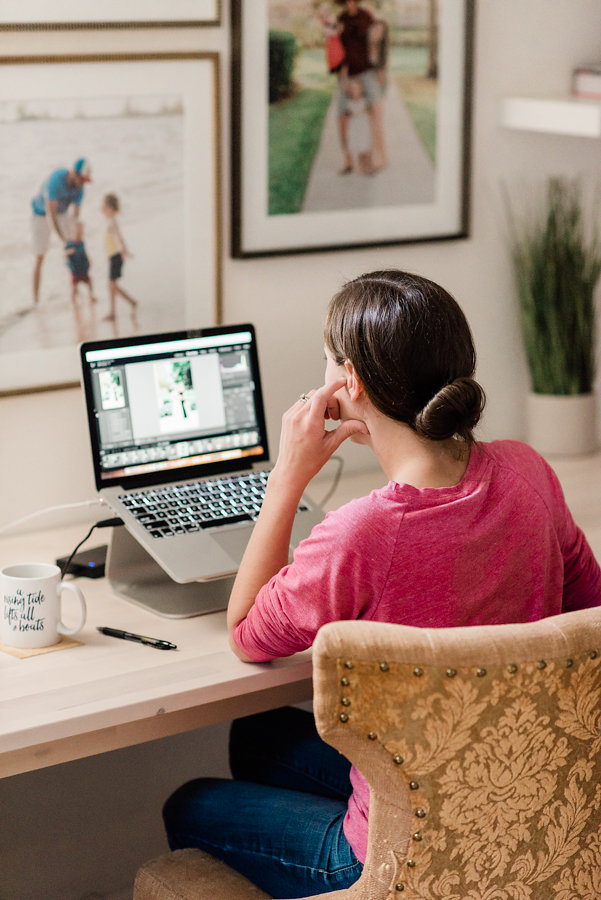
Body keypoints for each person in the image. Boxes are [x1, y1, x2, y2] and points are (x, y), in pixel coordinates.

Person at [163, 270, 601, 898]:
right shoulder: (528, 471)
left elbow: (245, 635)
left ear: (351, 385)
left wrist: (288, 477)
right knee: (256, 738)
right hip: (521, 806)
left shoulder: (359, 536)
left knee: (190, 803)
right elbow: (590, 605)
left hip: (398, 862)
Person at [335, 0, 387, 174]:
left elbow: (379, 41)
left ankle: (378, 156)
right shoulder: (341, 18)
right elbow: (335, 45)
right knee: (343, 115)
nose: (350, 2)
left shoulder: (367, 15)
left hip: (367, 72)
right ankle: (348, 161)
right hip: (346, 72)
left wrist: (381, 68)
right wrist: (342, 72)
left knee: (375, 113)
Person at [30, 157, 92, 304]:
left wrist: (73, 237)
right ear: (73, 173)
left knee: (75, 248)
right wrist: (63, 240)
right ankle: (36, 301)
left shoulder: (80, 189)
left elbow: (76, 215)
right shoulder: (55, 180)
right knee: (40, 257)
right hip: (41, 214)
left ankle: (76, 291)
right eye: (81, 179)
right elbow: (50, 215)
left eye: (85, 181)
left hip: (62, 213)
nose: (82, 183)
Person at [101, 192, 138, 320]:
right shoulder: (111, 221)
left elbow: (118, 237)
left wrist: (124, 250)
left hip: (116, 257)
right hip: (113, 256)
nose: (102, 211)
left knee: (112, 286)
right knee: (111, 286)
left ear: (109, 209)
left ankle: (132, 302)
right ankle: (113, 312)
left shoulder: (112, 222)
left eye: (103, 208)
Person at [64, 219, 97, 306]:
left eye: (81, 233)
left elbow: (84, 252)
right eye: (77, 234)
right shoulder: (69, 244)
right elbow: (64, 255)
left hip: (83, 268)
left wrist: (89, 259)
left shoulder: (81, 243)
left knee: (89, 282)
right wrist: (69, 252)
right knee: (74, 286)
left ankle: (91, 296)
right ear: (72, 233)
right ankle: (73, 300)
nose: (79, 236)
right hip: (74, 269)